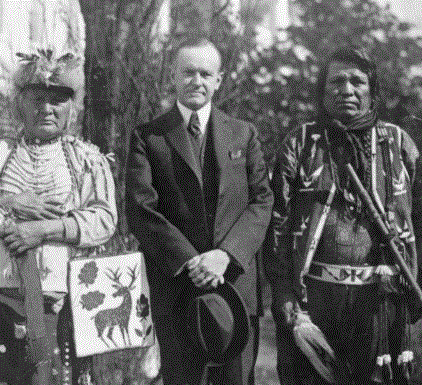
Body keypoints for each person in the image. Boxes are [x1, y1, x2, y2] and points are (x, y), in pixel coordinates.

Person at [263, 46, 422, 385]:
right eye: (336, 82)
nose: (346, 90)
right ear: (323, 92)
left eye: (357, 82)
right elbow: (277, 222)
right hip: (315, 301)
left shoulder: (400, 145)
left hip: (382, 303)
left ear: (372, 91)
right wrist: (283, 293)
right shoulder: (301, 143)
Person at [125, 36, 273, 385]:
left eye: (206, 74)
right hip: (177, 290)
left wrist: (225, 255)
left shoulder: (243, 134)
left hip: (235, 288)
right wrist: (193, 262)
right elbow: (141, 209)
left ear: (219, 80)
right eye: (188, 72)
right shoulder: (149, 136)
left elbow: (262, 201)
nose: (197, 81)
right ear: (173, 77)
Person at [0, 48, 118, 385]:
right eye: (37, 98)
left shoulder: (87, 159)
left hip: (65, 307)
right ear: (19, 103)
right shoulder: (2, 153)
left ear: (72, 107)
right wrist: (10, 203)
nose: (47, 109)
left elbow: (105, 220)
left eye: (58, 100)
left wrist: (44, 229)